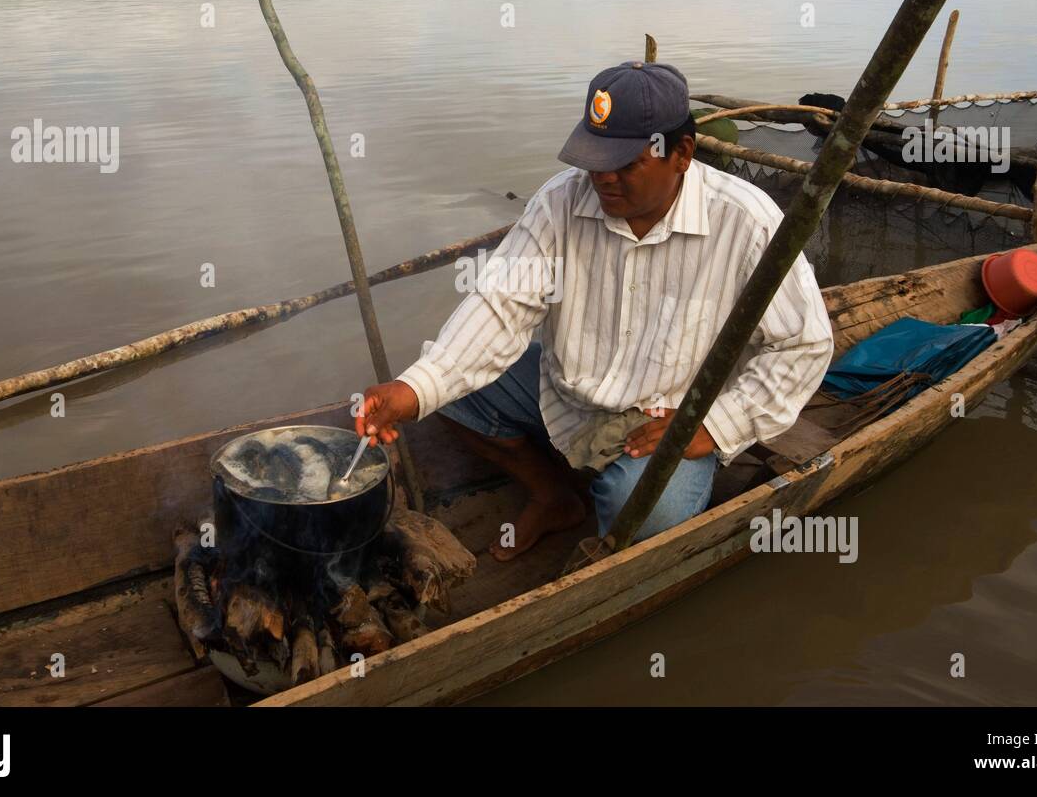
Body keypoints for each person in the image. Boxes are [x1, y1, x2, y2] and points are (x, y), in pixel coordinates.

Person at [357, 61, 834, 561]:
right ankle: (553, 494)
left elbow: (804, 342)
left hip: (667, 414)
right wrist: (413, 389)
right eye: (594, 160)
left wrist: (716, 425)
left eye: (626, 164)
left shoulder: (745, 222)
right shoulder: (560, 202)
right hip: (569, 396)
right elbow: (500, 304)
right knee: (444, 390)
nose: (603, 178)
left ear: (681, 155)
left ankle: (622, 524)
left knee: (644, 513)